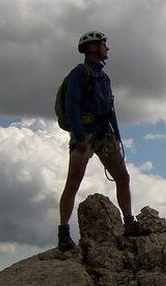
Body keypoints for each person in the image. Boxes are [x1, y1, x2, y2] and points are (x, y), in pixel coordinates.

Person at [57, 31, 149, 251]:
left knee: (123, 177)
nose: (107, 48)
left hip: (103, 133)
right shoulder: (81, 73)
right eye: (103, 44)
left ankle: (129, 223)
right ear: (92, 48)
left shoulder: (104, 77)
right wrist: (79, 136)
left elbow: (109, 108)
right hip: (86, 133)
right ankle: (63, 233)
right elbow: (71, 104)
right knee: (74, 181)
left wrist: (116, 136)